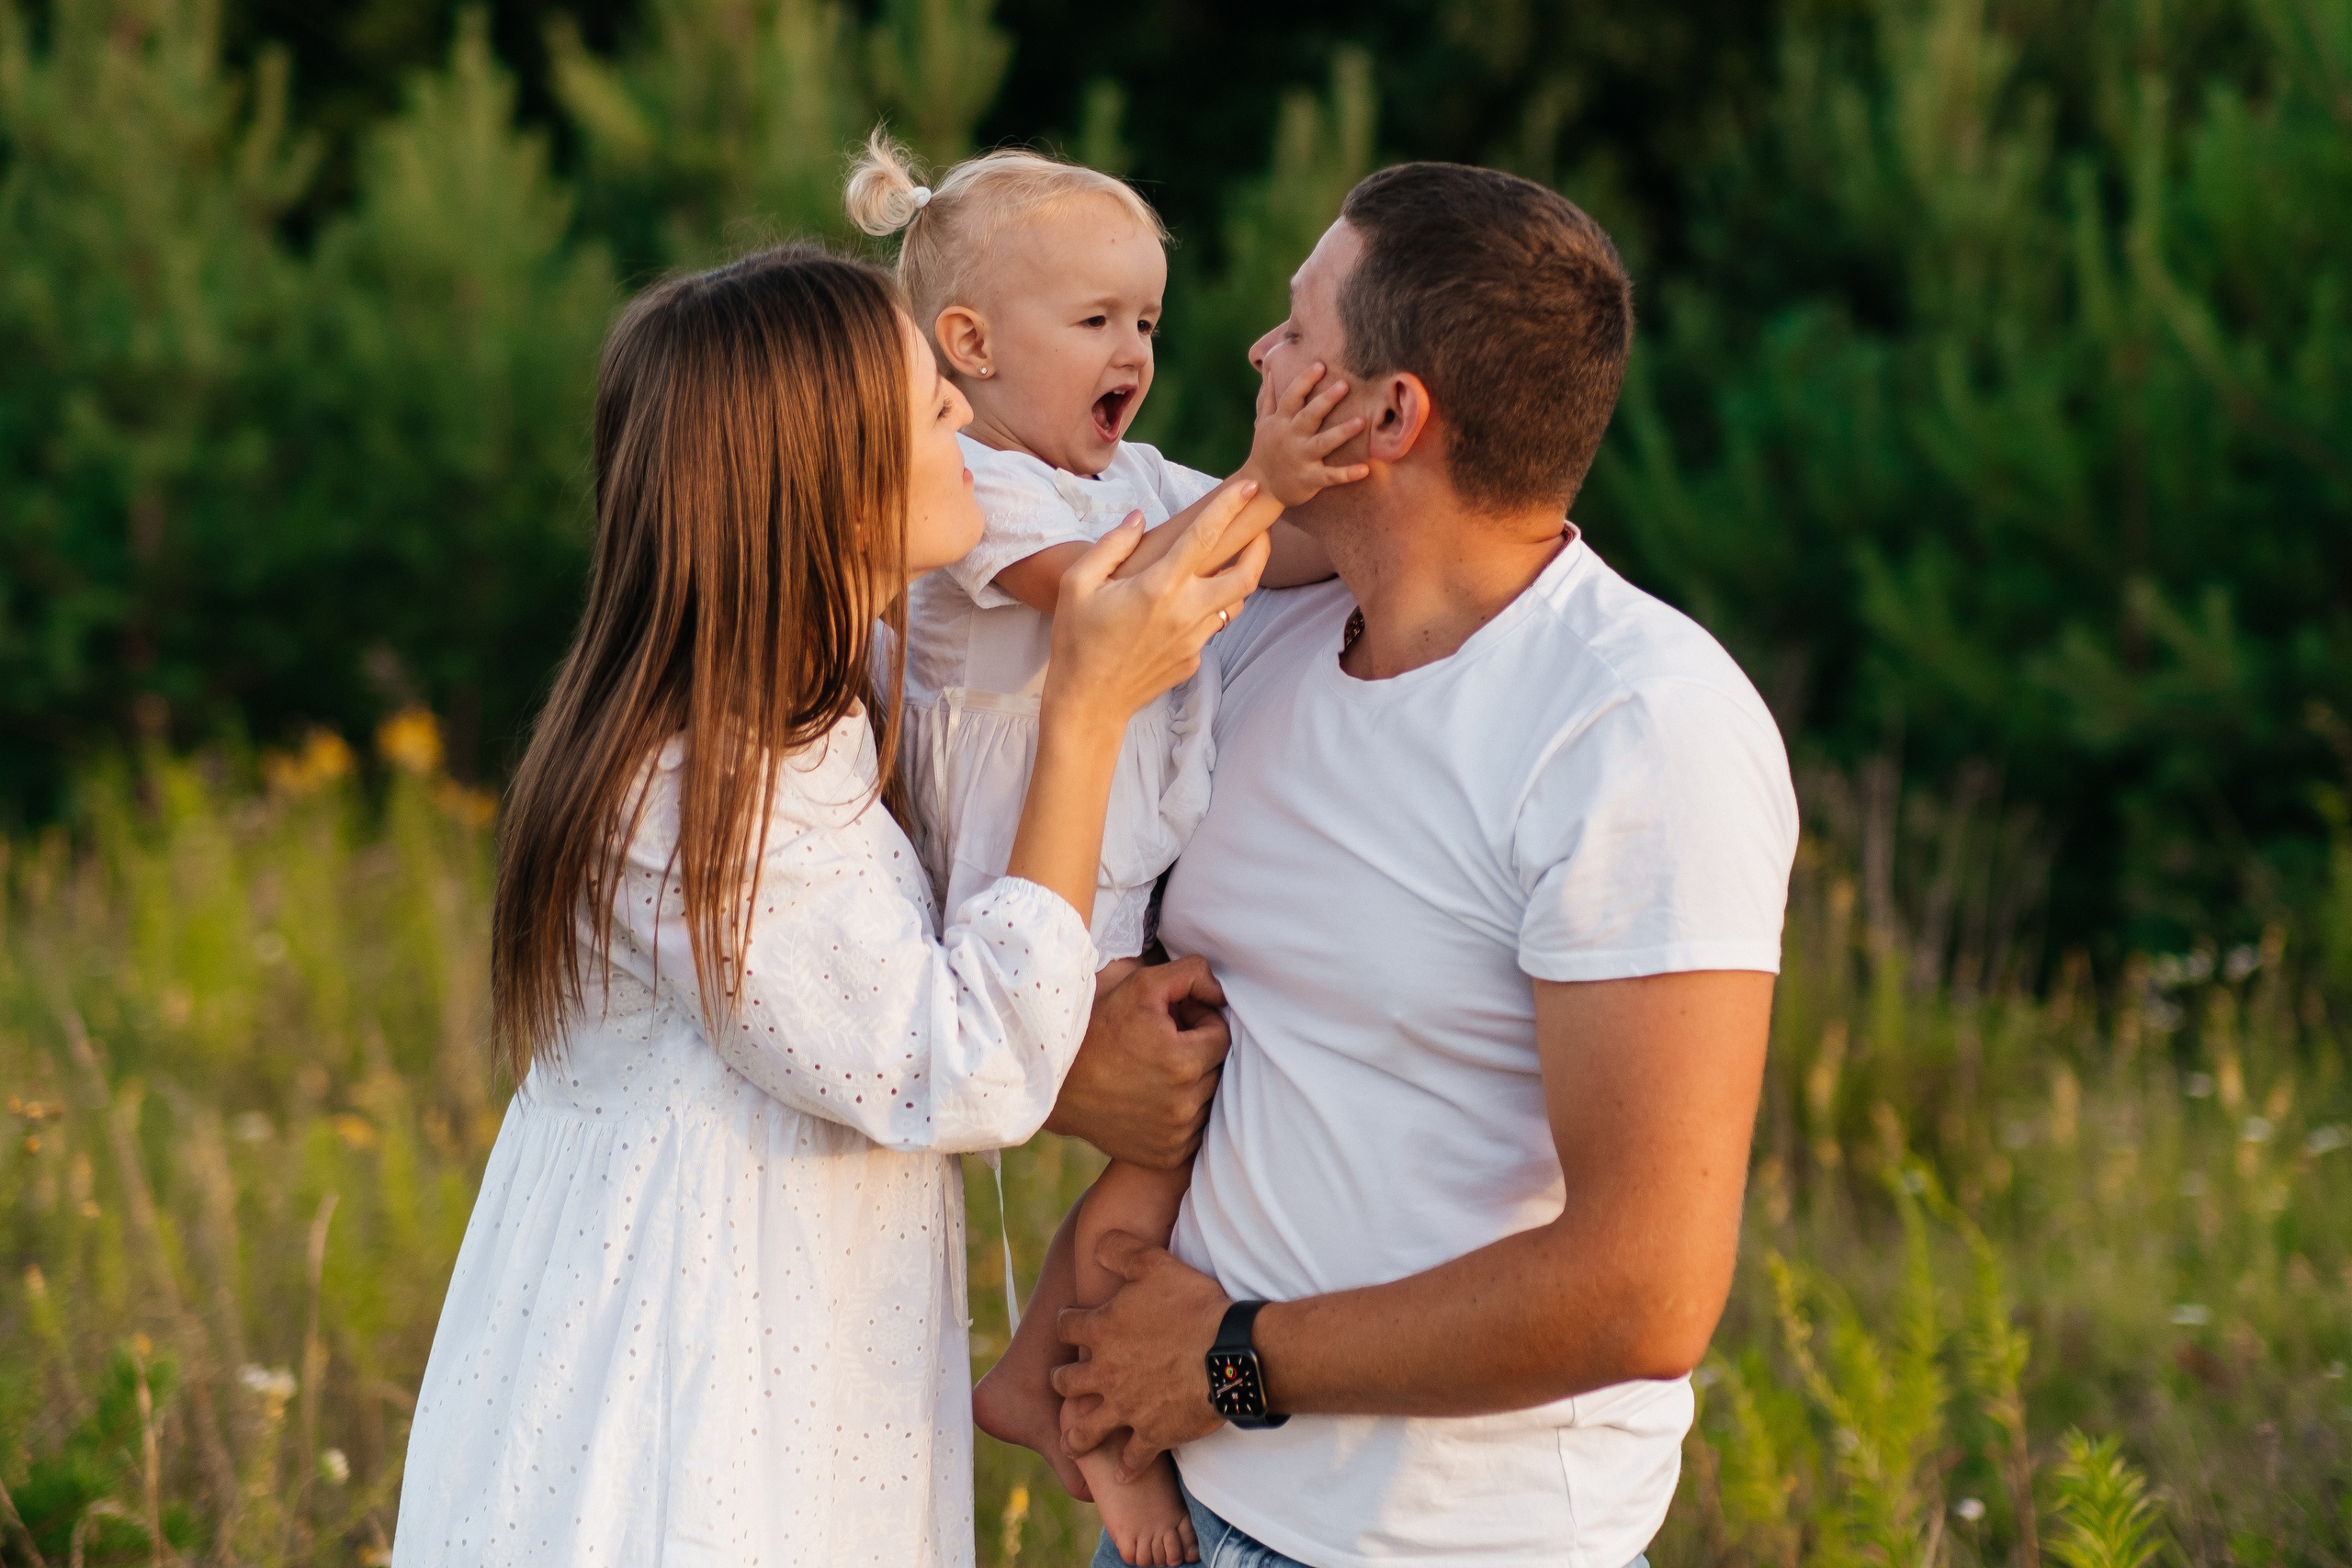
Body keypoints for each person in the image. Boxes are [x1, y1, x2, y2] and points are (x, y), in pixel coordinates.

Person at [390, 244, 1268, 1567]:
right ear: (826, 483)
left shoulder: (819, 695)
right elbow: (956, 1064)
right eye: (927, 405)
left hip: (784, 1354)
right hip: (683, 1407)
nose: (965, 413)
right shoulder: (695, 784)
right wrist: (1088, 709)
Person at [1043, 164, 1801, 1568]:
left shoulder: (1634, 726)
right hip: (1179, 1512)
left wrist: (1228, 1361)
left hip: (1440, 1546)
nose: (1258, 355)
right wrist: (1076, 1068)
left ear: (1390, 415)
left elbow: (1643, 1291)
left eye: (1298, 331)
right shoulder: (1258, 639)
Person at [843, 132, 1365, 1566]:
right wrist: (1265, 481)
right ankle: (1089, 1411)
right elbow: (1121, 591)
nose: (1134, 349)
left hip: (1120, 883)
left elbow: (1270, 556)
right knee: (1173, 1124)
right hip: (1025, 887)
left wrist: (1365, 513)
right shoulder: (972, 488)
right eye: (1095, 320)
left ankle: (1045, 1377)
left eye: (1147, 320)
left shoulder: (1133, 468)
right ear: (970, 345)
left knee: (1180, 1134)